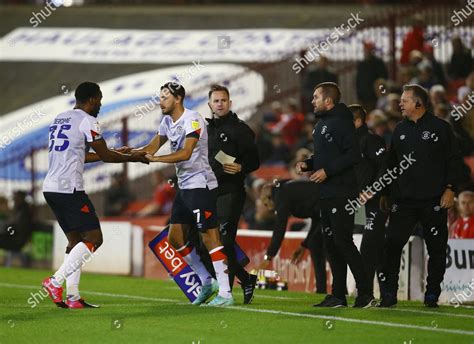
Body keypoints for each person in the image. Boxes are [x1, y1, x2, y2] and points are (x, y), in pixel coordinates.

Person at [41, 81, 149, 309]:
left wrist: (113, 152)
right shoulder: (88, 121)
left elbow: (78, 155)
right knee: (94, 239)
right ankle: (55, 281)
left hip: (51, 188)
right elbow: (107, 157)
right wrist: (133, 157)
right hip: (69, 188)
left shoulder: (60, 118)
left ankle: (73, 297)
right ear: (91, 99)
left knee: (75, 242)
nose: (100, 104)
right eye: (99, 100)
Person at [125, 82, 234, 306]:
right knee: (174, 238)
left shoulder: (193, 119)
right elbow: (150, 149)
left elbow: (185, 153)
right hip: (185, 187)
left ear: (178, 98)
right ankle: (206, 281)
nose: (160, 101)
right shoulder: (167, 121)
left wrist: (156, 160)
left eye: (164, 97)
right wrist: (127, 153)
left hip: (201, 185)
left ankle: (225, 293)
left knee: (209, 237)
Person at [378, 84, 462, 308]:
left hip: (434, 200)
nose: (400, 104)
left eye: (404, 100)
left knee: (436, 248)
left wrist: (450, 188)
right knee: (392, 245)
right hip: (404, 201)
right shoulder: (399, 130)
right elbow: (391, 163)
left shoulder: (441, 128)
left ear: (418, 103)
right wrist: (386, 191)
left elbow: (454, 161)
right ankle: (389, 294)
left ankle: (432, 294)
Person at [296, 82, 375, 308]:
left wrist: (327, 171)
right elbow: (328, 157)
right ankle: (338, 294)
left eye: (316, 97)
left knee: (343, 241)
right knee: (331, 243)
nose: (312, 101)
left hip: (341, 192)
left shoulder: (342, 122)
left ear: (328, 100)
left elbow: (354, 155)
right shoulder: (323, 123)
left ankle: (365, 293)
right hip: (327, 192)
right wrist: (309, 164)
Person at [206, 84, 259, 304]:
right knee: (207, 243)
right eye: (216, 101)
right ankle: (245, 279)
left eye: (223, 100)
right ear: (209, 104)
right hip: (208, 192)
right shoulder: (206, 129)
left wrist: (241, 167)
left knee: (224, 242)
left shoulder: (240, 129)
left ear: (230, 103)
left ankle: (226, 291)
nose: (220, 104)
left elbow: (255, 160)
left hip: (231, 192)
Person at [257, 180, 327, 294]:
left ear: (270, 197)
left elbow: (280, 228)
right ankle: (323, 291)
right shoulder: (284, 190)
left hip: (331, 205)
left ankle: (337, 290)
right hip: (325, 207)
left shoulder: (280, 196)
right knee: (315, 244)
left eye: (266, 203)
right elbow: (317, 216)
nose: (269, 208)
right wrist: (304, 245)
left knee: (326, 248)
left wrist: (268, 257)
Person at [349, 104, 389, 296]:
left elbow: (386, 166)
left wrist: (374, 189)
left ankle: (364, 293)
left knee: (369, 245)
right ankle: (386, 292)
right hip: (360, 205)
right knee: (377, 247)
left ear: (357, 122)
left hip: (376, 202)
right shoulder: (351, 144)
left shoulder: (371, 140)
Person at [356, 41, 388, 112]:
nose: (366, 52)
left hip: (375, 97)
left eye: (368, 50)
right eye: (365, 50)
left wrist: (382, 94)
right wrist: (359, 96)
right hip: (364, 97)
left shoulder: (379, 63)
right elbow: (358, 81)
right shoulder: (362, 64)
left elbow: (383, 80)